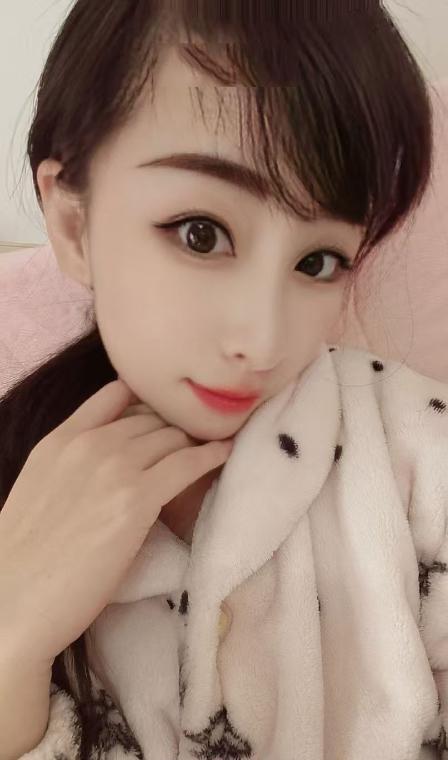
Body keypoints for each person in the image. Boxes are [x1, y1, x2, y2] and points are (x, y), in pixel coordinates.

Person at [0, 1, 444, 758]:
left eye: (318, 262)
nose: (263, 342)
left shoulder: (417, 450)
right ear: (73, 226)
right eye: (201, 234)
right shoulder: (19, 481)